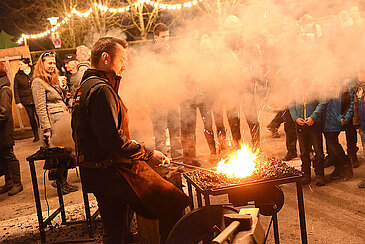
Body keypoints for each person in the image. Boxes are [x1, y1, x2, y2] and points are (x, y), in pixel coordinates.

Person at [71, 37, 186, 243]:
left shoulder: (87, 85)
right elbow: (113, 141)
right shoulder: (101, 90)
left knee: (117, 232)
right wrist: (148, 154)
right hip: (111, 174)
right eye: (122, 59)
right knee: (173, 202)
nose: (125, 65)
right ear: (106, 58)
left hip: (98, 172)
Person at [32, 51, 78, 195]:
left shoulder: (52, 79)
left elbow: (61, 99)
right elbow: (40, 107)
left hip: (62, 120)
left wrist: (63, 88)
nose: (52, 66)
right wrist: (46, 128)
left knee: (66, 154)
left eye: (53, 63)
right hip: (53, 123)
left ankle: (63, 182)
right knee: (58, 155)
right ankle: (59, 182)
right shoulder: (38, 82)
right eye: (49, 63)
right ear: (42, 64)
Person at [150, 23, 182, 159]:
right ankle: (163, 162)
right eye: (163, 37)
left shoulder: (173, 53)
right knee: (160, 133)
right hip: (158, 99)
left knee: (176, 131)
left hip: (172, 97)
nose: (166, 40)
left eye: (168, 36)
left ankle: (178, 160)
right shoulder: (151, 55)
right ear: (155, 37)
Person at [289, 79, 326, 186]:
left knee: (318, 151)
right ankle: (306, 174)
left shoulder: (317, 84)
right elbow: (291, 104)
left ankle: (319, 175)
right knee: (304, 151)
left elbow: (322, 101)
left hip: (314, 123)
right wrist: (296, 118)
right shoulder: (294, 84)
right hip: (300, 124)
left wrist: (313, 117)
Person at [323, 79, 354, 181]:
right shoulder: (324, 82)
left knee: (332, 143)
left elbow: (351, 103)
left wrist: (345, 118)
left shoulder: (346, 83)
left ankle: (345, 164)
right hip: (325, 120)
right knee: (330, 144)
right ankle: (339, 167)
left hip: (335, 119)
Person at [0, 61, 23, 196]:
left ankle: (17, 183)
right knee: (3, 156)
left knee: (8, 155)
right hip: (2, 129)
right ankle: (9, 182)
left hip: (4, 130)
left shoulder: (4, 89)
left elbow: (4, 112)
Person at [13, 57, 39, 142]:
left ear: (27, 64)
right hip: (26, 100)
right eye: (19, 64)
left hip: (36, 98)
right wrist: (18, 101)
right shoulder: (18, 75)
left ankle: (44, 133)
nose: (19, 66)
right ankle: (36, 135)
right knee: (31, 117)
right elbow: (16, 89)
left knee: (40, 116)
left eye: (21, 64)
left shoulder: (34, 71)